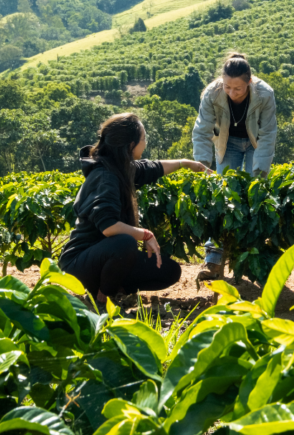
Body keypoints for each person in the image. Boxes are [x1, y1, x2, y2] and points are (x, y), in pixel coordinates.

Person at [59, 113, 211, 312]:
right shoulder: (105, 177)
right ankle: (101, 302)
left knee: (168, 271)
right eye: (144, 139)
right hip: (79, 264)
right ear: (131, 145)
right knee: (125, 243)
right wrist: (145, 234)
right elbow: (109, 227)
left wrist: (186, 163)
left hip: (103, 260)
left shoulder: (119, 167)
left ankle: (112, 291)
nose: (145, 143)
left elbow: (152, 168)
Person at [192, 52, 277, 284]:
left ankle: (249, 257)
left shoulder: (265, 93)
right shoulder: (212, 93)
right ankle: (214, 256)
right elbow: (202, 130)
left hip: (254, 143)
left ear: (249, 82)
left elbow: (268, 133)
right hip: (226, 143)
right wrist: (202, 164)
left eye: (237, 88)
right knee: (221, 195)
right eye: (227, 87)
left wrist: (260, 170)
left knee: (253, 195)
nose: (231, 92)